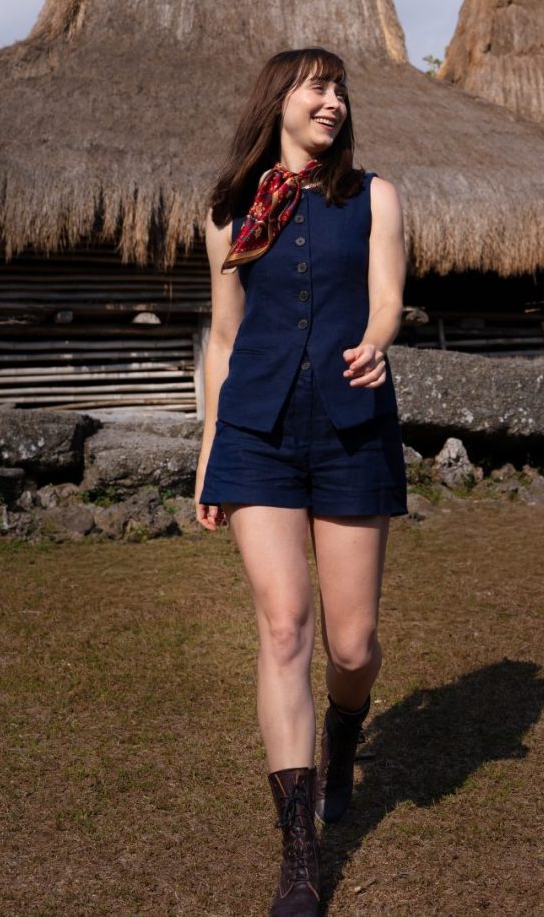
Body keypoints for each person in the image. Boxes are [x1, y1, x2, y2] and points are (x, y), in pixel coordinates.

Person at [194, 46, 407, 917]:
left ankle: (345, 736)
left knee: (350, 649)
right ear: (277, 98)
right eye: (318, 87)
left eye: (339, 89)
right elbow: (222, 337)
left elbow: (389, 293)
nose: (333, 101)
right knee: (285, 628)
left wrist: (378, 337)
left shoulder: (375, 197)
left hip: (353, 430)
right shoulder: (228, 212)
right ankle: (300, 858)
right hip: (256, 433)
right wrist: (210, 448)